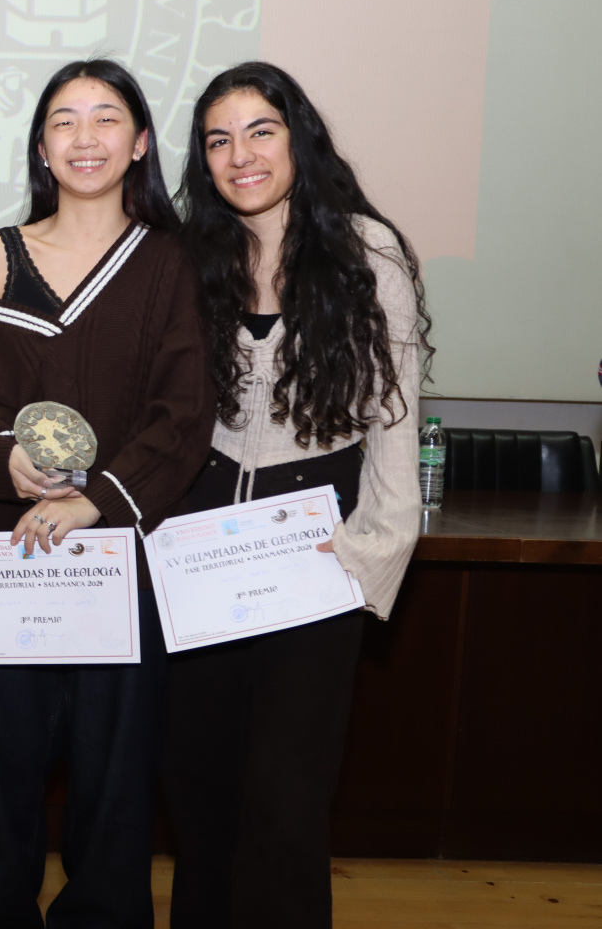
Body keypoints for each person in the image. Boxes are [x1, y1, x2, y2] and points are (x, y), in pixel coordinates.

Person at [0, 59, 214, 928]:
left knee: (115, 775)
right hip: (5, 552)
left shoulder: (176, 263)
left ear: (139, 144)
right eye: (64, 119)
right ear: (42, 146)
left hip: (121, 558)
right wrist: (6, 460)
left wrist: (94, 499)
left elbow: (185, 410)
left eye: (106, 119)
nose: (84, 137)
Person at [161, 61, 428, 929]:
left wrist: (369, 552)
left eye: (260, 131)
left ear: (298, 137)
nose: (240, 155)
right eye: (218, 140)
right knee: (200, 788)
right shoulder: (189, 258)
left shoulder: (365, 250)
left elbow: (394, 412)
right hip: (200, 546)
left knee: (285, 796)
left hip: (315, 551)